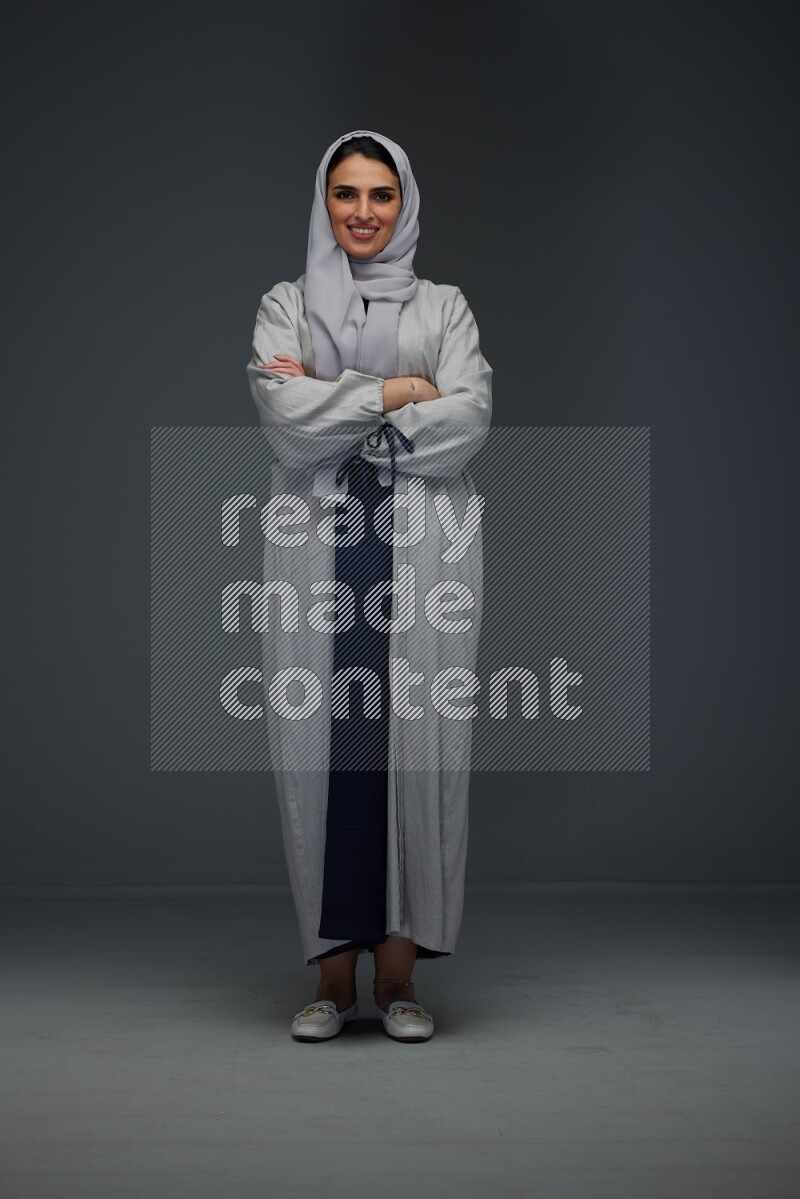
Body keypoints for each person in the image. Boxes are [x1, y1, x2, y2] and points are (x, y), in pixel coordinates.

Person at [246, 130, 492, 1042]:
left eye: (380, 195)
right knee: (320, 748)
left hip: (423, 554)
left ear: (405, 203)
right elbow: (284, 421)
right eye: (345, 194)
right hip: (320, 550)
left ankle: (399, 981)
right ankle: (328, 977)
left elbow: (470, 420)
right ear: (324, 202)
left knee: (417, 748)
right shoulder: (286, 305)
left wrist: (337, 401)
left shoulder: (446, 306)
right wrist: (395, 393)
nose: (361, 212)